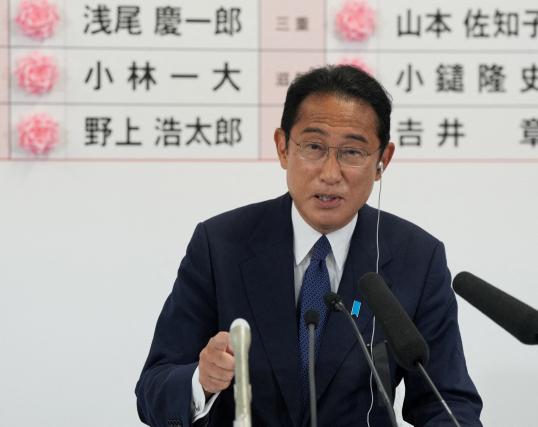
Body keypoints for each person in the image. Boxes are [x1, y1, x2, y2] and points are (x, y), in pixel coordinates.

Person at [135, 65, 482, 427]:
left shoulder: (417, 258)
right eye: (314, 147)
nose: (330, 174)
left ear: (382, 161)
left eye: (352, 152)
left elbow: (447, 402)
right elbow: (152, 390)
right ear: (283, 148)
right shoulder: (220, 245)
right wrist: (201, 382)